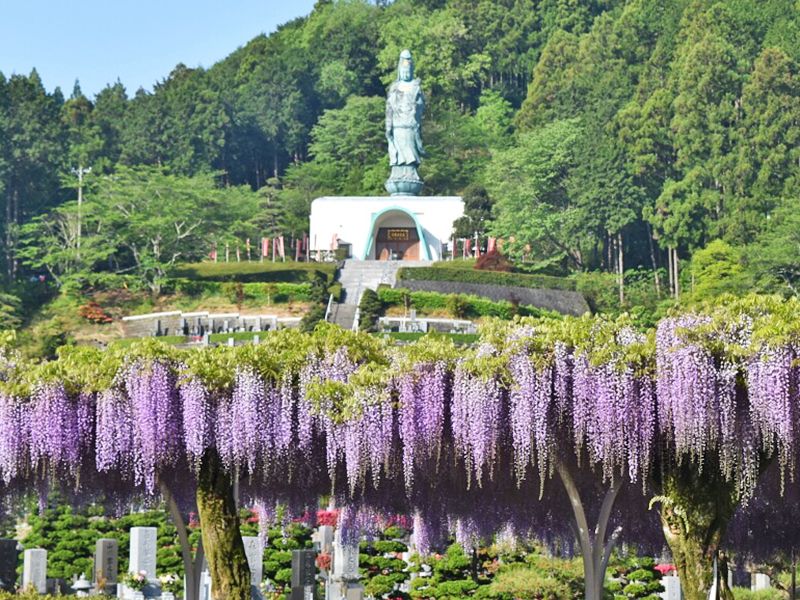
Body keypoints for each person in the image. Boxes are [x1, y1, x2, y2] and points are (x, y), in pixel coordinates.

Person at [386, 49, 425, 168]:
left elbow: (421, 106)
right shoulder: (394, 87)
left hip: (410, 126)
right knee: (398, 157)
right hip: (397, 128)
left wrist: (415, 105)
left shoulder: (415, 86)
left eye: (408, 70)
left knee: (411, 156)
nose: (405, 73)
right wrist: (388, 127)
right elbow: (389, 109)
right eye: (403, 70)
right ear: (399, 70)